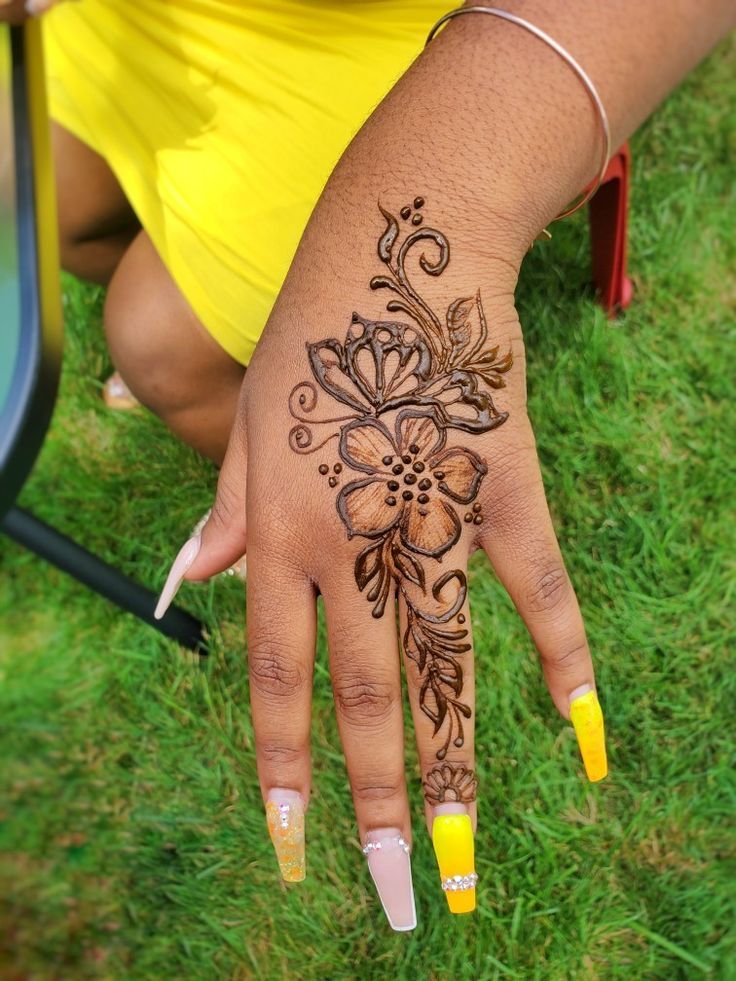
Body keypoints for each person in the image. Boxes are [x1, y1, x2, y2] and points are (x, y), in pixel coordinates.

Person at [3, 0, 733, 931]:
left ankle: (264, 429)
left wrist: (443, 185)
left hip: (418, 38)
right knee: (33, 193)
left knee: (153, 341)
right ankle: (245, 381)